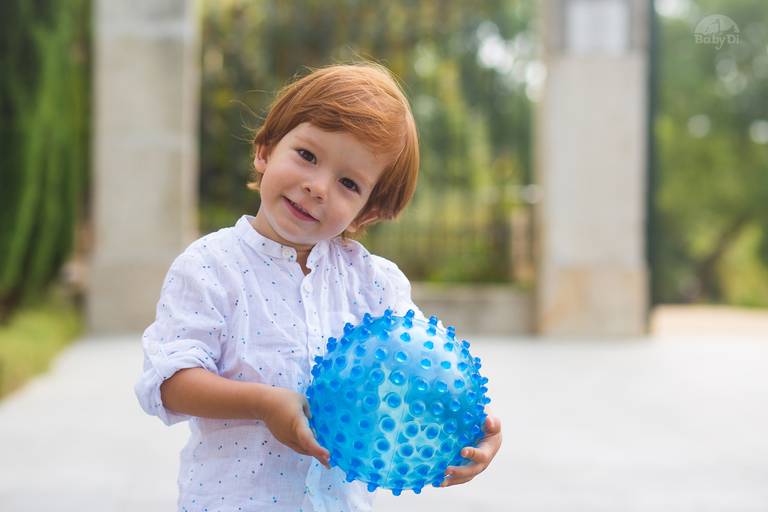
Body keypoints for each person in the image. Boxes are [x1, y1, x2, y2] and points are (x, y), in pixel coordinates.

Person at [135, 62, 502, 512]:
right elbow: (171, 381)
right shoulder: (210, 268)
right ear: (265, 150)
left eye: (349, 183)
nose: (318, 187)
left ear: (366, 212)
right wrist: (263, 403)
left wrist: (472, 430)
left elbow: (423, 379)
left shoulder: (374, 284)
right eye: (307, 156)